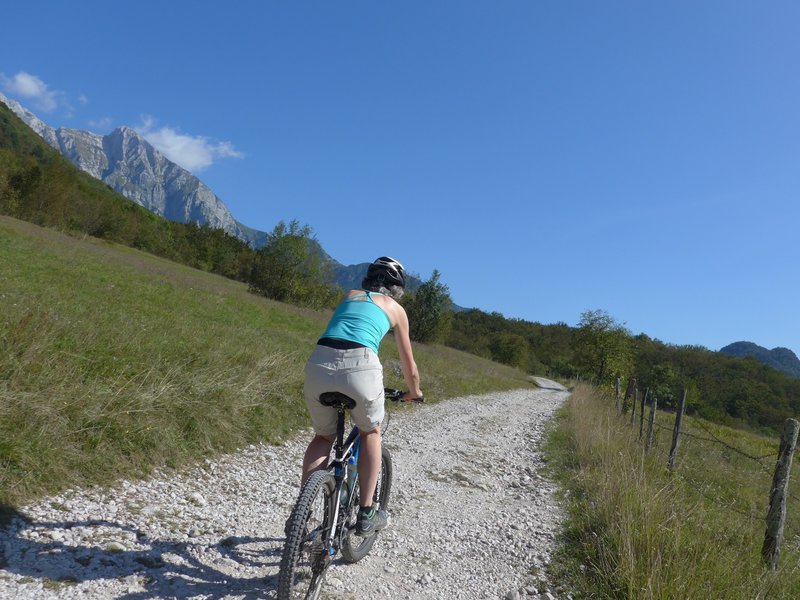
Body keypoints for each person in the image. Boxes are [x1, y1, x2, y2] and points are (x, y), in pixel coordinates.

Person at [301, 256, 424, 535]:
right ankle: (367, 512)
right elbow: (409, 365)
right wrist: (414, 392)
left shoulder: (350, 295)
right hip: (361, 367)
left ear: (368, 279)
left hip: (318, 363)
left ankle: (302, 510)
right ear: (398, 287)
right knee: (370, 432)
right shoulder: (396, 309)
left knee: (323, 437)